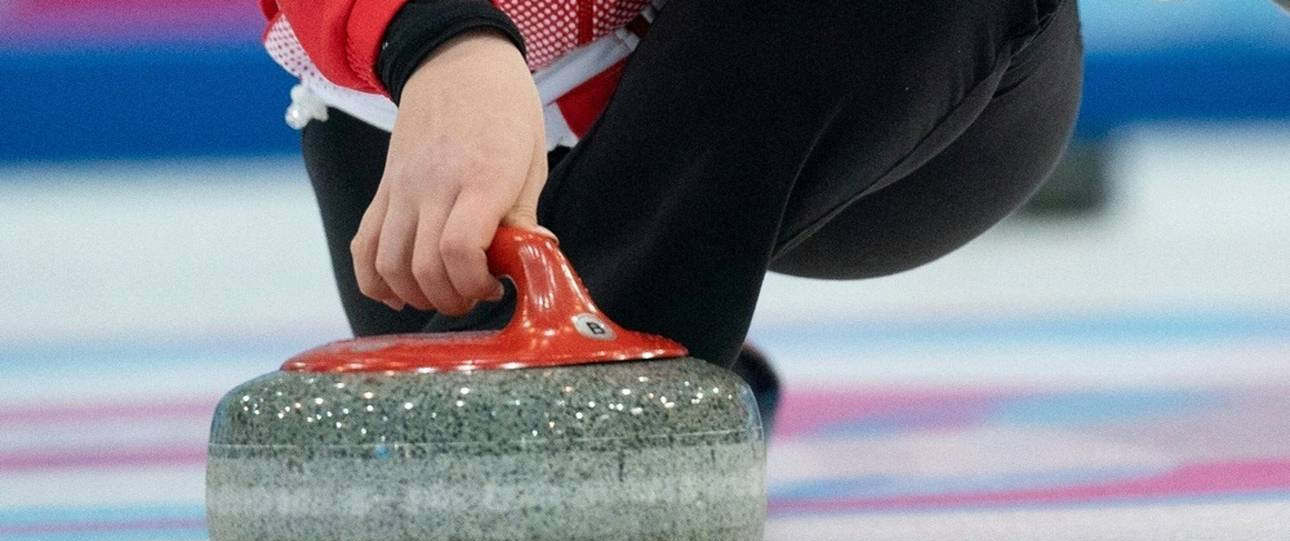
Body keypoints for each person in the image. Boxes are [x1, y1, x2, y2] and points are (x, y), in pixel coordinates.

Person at [260, 0, 1084, 432]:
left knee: (510, 443)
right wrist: (438, 40)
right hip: (415, 104)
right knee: (465, 432)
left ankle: (643, 355)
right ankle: (651, 350)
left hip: (852, 65)